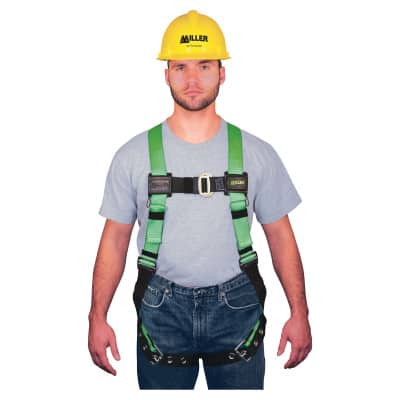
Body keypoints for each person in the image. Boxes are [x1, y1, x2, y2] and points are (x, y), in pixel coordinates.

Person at [88, 9, 312, 390]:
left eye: (204, 66)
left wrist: (300, 312)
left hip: (237, 311)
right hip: (161, 311)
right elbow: (114, 240)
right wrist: (97, 316)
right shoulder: (132, 157)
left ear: (222, 73)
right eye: (181, 67)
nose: (192, 80)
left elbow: (280, 236)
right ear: (166, 74)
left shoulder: (258, 154)